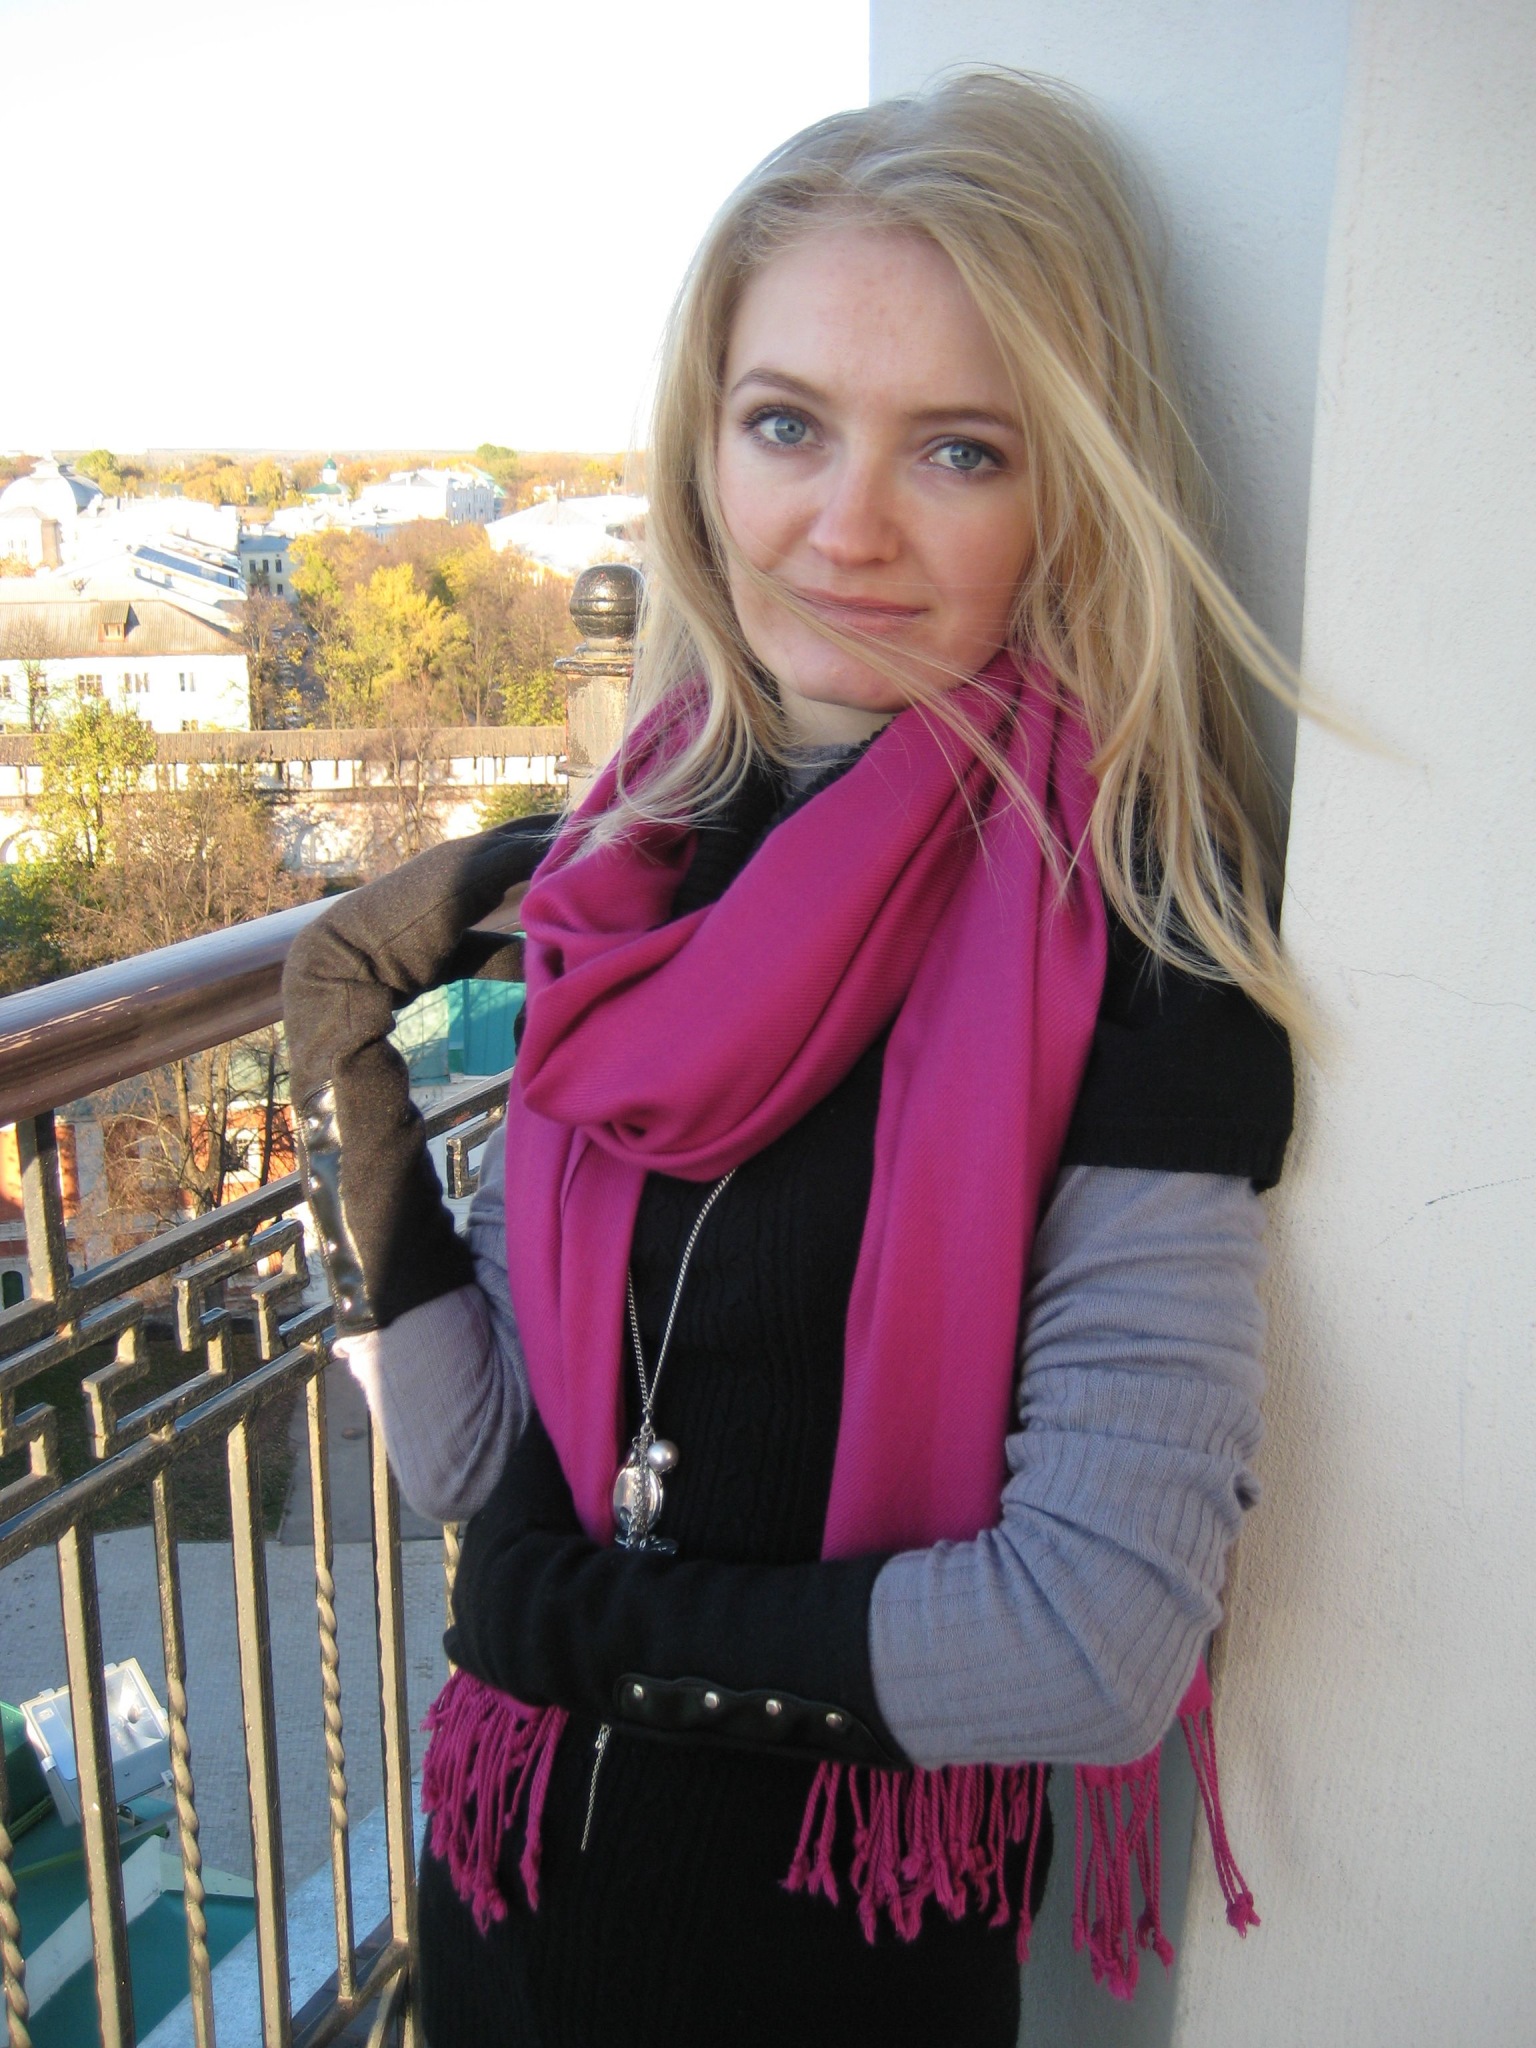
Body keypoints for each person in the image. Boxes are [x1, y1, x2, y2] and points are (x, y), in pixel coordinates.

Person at [282, 68, 1298, 2048]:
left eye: (960, 450)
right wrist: (347, 1052)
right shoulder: (635, 874)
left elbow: (1094, 1637)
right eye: (787, 425)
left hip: (819, 1970)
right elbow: (478, 1462)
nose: (845, 530)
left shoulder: (1138, 937)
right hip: (502, 1905)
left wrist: (573, 1628)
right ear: (704, 450)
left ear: (1073, 492)